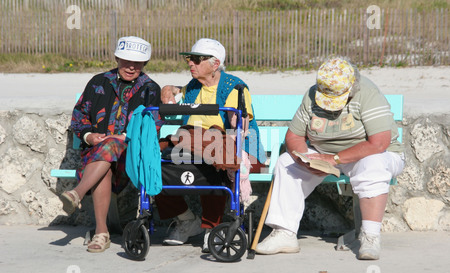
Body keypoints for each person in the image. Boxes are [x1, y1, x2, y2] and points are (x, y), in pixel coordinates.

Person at [255, 57, 405, 260]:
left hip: (371, 154)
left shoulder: (367, 93)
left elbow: (379, 143)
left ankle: (370, 237)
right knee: (286, 163)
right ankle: (284, 233)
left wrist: (334, 158)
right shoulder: (313, 94)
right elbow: (294, 136)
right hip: (324, 155)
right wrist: (304, 159)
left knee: (373, 165)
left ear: (352, 87)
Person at [157, 38, 266, 252]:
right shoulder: (194, 85)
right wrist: (168, 88)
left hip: (226, 145)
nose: (191, 63)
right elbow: (174, 93)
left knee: (214, 163)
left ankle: (211, 227)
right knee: (153, 164)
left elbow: (239, 128)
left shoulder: (234, 87)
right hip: (189, 145)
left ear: (215, 64)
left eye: (197, 59)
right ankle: (187, 220)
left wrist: (232, 125)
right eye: (190, 59)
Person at [59, 36, 162, 253]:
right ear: (116, 57)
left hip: (131, 158)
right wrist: (88, 136)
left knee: (110, 147)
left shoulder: (150, 89)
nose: (131, 67)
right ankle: (102, 232)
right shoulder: (98, 83)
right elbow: (80, 117)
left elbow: (153, 125)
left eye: (138, 63)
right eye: (126, 61)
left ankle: (78, 196)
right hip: (97, 156)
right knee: (104, 157)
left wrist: (124, 137)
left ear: (145, 64)